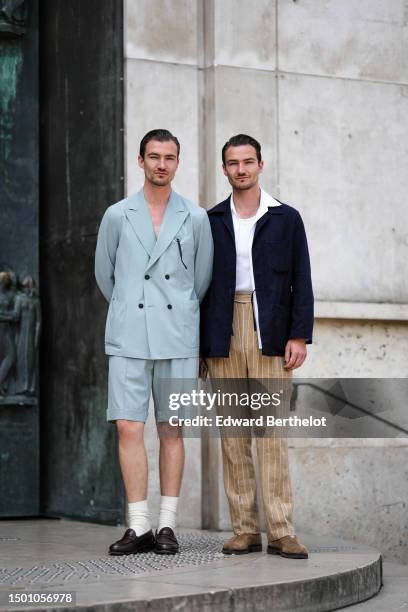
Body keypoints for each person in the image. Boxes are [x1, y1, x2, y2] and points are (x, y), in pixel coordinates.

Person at [95, 129, 213, 555]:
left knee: (171, 428)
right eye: (153, 156)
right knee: (128, 426)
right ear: (140, 161)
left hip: (178, 337)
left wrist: (179, 316)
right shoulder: (116, 215)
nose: (161, 164)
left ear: (178, 163)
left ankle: (166, 526)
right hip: (128, 335)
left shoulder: (196, 218)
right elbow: (105, 276)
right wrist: (131, 308)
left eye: (169, 157)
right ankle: (138, 526)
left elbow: (200, 281)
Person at [200, 134, 314, 558]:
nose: (241, 169)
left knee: (271, 433)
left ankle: (282, 529)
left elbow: (301, 277)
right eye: (233, 163)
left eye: (248, 162)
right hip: (223, 328)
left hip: (270, 329)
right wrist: (201, 343)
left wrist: (298, 335)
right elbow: (201, 285)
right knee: (233, 434)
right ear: (224, 169)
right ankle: (245, 528)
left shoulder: (286, 218)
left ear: (261, 165)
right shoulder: (210, 220)